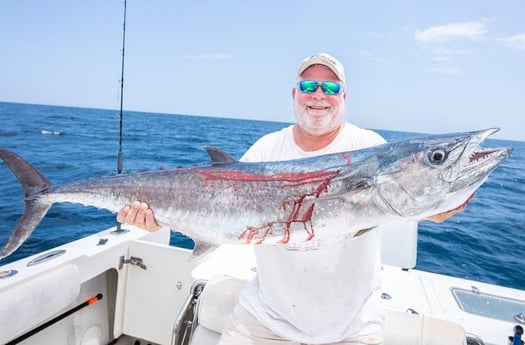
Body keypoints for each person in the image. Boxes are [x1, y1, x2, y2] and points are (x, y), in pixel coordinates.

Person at [117, 53, 467, 344]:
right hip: (265, 317)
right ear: (294, 94)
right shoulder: (268, 148)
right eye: (308, 86)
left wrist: (441, 202)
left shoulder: (369, 147)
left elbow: (423, 207)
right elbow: (223, 206)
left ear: (343, 97)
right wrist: (156, 217)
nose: (319, 94)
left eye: (331, 87)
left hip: (353, 327)